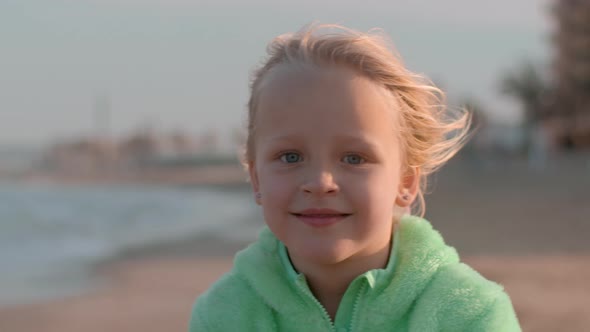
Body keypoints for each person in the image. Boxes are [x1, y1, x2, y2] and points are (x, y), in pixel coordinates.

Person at [189, 23, 521, 331]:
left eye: (354, 158)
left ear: (405, 182)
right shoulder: (224, 315)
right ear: (257, 178)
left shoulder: (469, 313)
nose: (320, 182)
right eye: (290, 157)